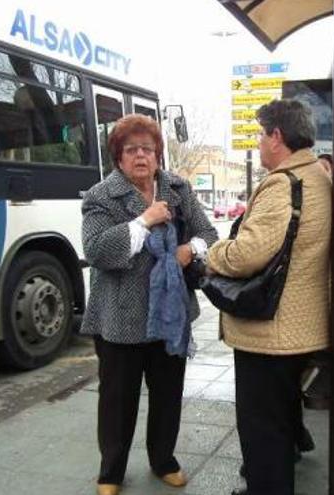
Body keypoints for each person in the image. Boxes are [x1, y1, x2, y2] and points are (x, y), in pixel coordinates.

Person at [80, 114, 217, 495]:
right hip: (119, 318)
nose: (141, 156)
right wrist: (144, 220)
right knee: (117, 402)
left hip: (170, 313)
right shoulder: (100, 196)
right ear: (119, 158)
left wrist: (191, 249)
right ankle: (111, 471)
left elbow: (208, 230)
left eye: (148, 149)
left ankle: (163, 460)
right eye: (131, 150)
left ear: (158, 155)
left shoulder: (177, 188)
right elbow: (97, 251)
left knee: (168, 396)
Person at [207, 99, 331, 495]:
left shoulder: (284, 182)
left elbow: (247, 253)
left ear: (277, 137)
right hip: (299, 326)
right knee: (279, 422)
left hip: (271, 333)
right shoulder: (319, 174)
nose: (259, 144)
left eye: (262, 135)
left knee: (262, 428)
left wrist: (210, 255)